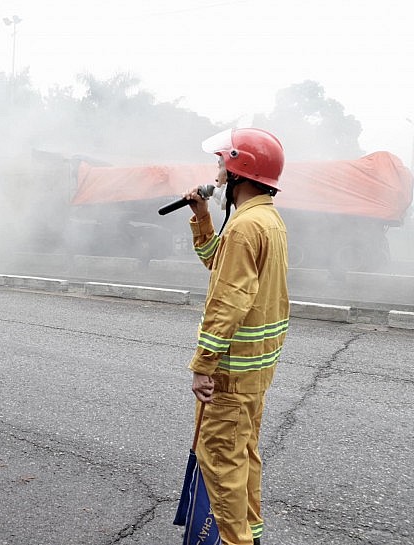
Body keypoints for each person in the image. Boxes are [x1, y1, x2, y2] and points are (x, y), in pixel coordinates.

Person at [183, 128, 289, 545]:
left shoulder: (247, 227)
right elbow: (220, 265)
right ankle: (251, 535)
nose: (217, 169)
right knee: (243, 456)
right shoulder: (266, 220)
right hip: (254, 372)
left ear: (238, 168)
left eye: (221, 161)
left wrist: (202, 366)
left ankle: (236, 541)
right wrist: (202, 217)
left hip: (230, 374)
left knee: (222, 462)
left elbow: (228, 301)